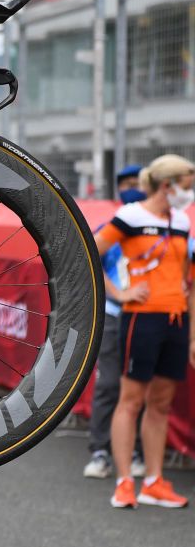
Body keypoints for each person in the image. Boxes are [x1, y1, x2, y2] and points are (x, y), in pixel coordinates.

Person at [94, 154, 195, 509]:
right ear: (167, 185)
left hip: (176, 320)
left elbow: (188, 278)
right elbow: (92, 251)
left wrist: (193, 331)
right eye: (186, 183)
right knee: (131, 399)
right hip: (141, 319)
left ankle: (153, 481)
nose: (190, 190)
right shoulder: (131, 216)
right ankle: (124, 482)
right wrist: (120, 293)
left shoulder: (181, 220)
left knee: (162, 403)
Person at [83, 164, 148, 479]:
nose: (132, 187)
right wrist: (120, 295)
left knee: (138, 387)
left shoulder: (157, 228)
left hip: (145, 317)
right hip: (112, 315)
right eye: (127, 183)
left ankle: (134, 449)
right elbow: (92, 261)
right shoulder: (110, 227)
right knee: (108, 383)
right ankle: (99, 450)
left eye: (138, 182)